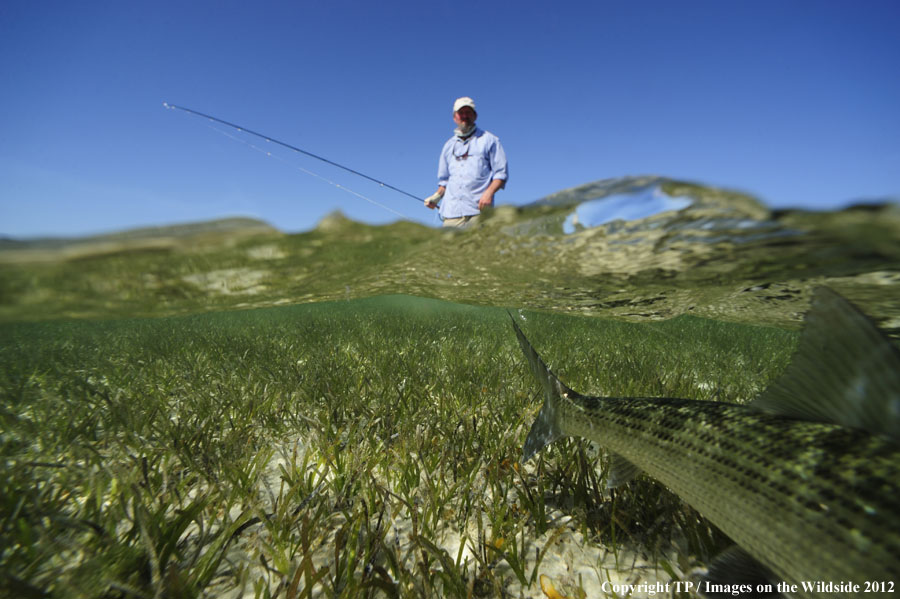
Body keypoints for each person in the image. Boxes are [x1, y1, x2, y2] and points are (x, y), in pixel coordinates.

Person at [424, 97, 508, 228]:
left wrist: (489, 193)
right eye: (461, 113)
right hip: (451, 214)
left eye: (468, 112)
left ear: (475, 115)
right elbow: (444, 182)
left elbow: (501, 175)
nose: (464, 116)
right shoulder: (448, 146)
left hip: (478, 212)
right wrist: (436, 197)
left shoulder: (490, 140)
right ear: (454, 117)